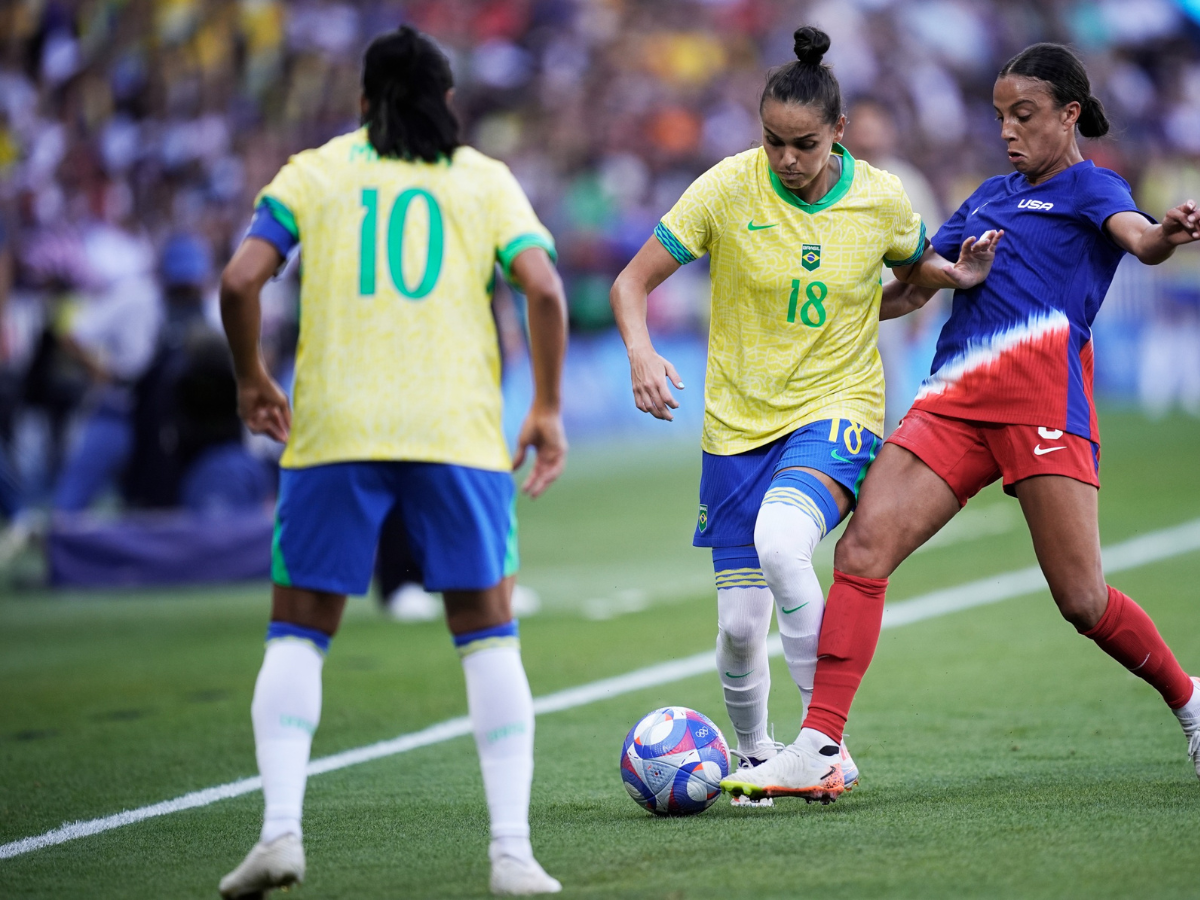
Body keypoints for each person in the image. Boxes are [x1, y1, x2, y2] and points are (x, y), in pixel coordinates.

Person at [729, 42, 1200, 804]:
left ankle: (1190, 700)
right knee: (864, 548)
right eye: (999, 117)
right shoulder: (985, 197)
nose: (1009, 131)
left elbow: (1139, 240)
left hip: (1043, 407)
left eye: (1025, 116)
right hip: (952, 401)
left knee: (1082, 600)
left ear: (1068, 114)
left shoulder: (1092, 187)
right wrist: (806, 308)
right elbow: (914, 288)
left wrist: (1166, 233)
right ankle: (820, 746)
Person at [217, 26, 568, 897]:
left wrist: (252, 378)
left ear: (363, 101)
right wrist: (549, 408)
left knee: (298, 632)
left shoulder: (316, 172)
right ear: (447, 102)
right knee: (487, 637)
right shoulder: (484, 181)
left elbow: (237, 282)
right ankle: (512, 854)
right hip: (456, 430)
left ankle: (280, 834)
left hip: (336, 429)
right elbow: (546, 288)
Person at [610, 26, 1000, 805]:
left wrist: (953, 275)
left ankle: (823, 746)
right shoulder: (726, 187)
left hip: (837, 407)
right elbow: (630, 283)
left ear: (839, 133)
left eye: (804, 144)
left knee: (784, 541)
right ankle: (760, 755)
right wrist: (642, 354)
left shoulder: (882, 198)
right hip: (734, 425)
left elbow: (912, 279)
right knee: (738, 631)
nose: (786, 158)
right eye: (773, 141)